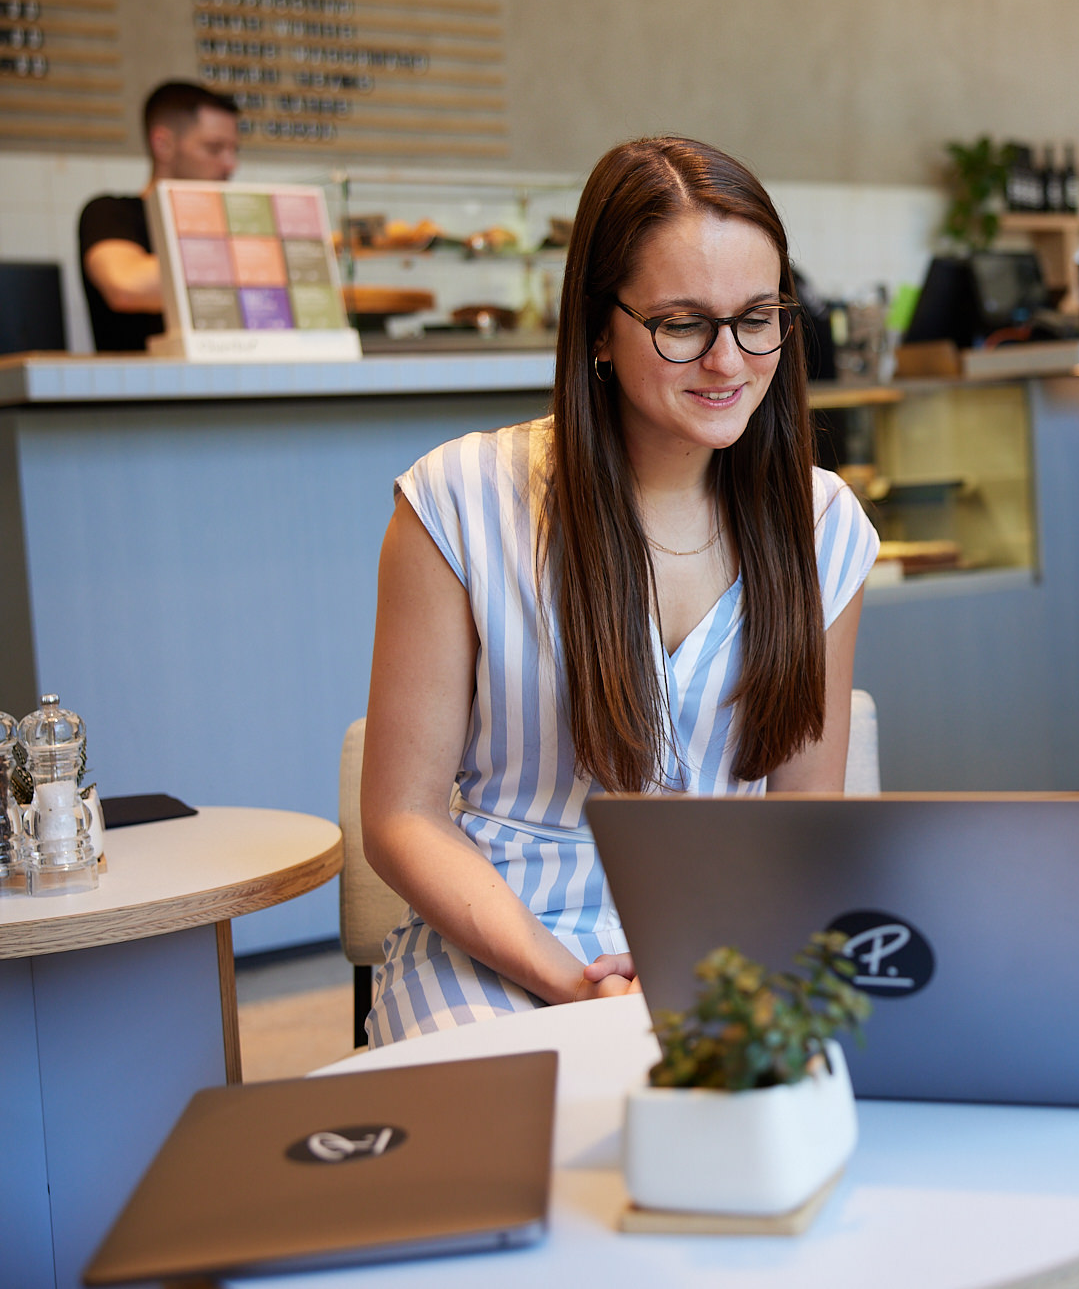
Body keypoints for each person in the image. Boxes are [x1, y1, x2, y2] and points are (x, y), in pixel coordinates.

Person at [359, 137, 878, 1045]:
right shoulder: (457, 501)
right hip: (499, 947)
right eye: (683, 324)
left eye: (758, 317)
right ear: (600, 326)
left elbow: (804, 816)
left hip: (729, 946)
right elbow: (402, 818)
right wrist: (571, 982)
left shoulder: (823, 521)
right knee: (526, 1151)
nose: (729, 361)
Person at [77, 80, 242, 352]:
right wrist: (258, 266)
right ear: (162, 144)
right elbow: (126, 286)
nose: (230, 164)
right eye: (214, 148)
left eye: (234, 150)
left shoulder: (228, 224)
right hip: (144, 389)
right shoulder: (110, 212)